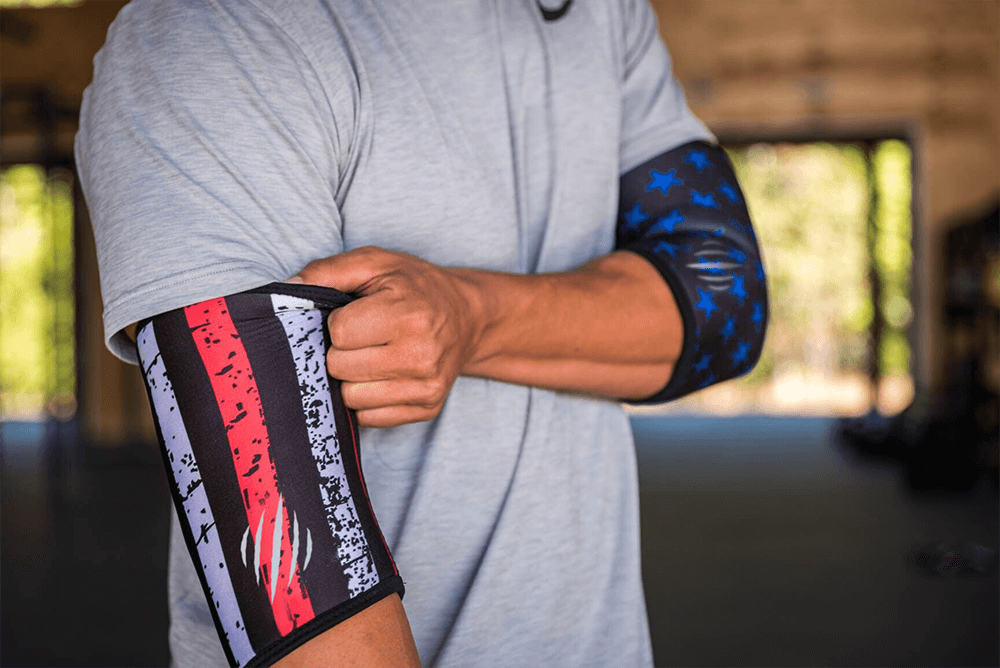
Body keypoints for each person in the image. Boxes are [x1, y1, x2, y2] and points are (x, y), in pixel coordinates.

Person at [76, 0, 767, 666]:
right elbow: (296, 574)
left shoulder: (599, 12)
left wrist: (471, 317)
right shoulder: (210, 31)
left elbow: (724, 306)